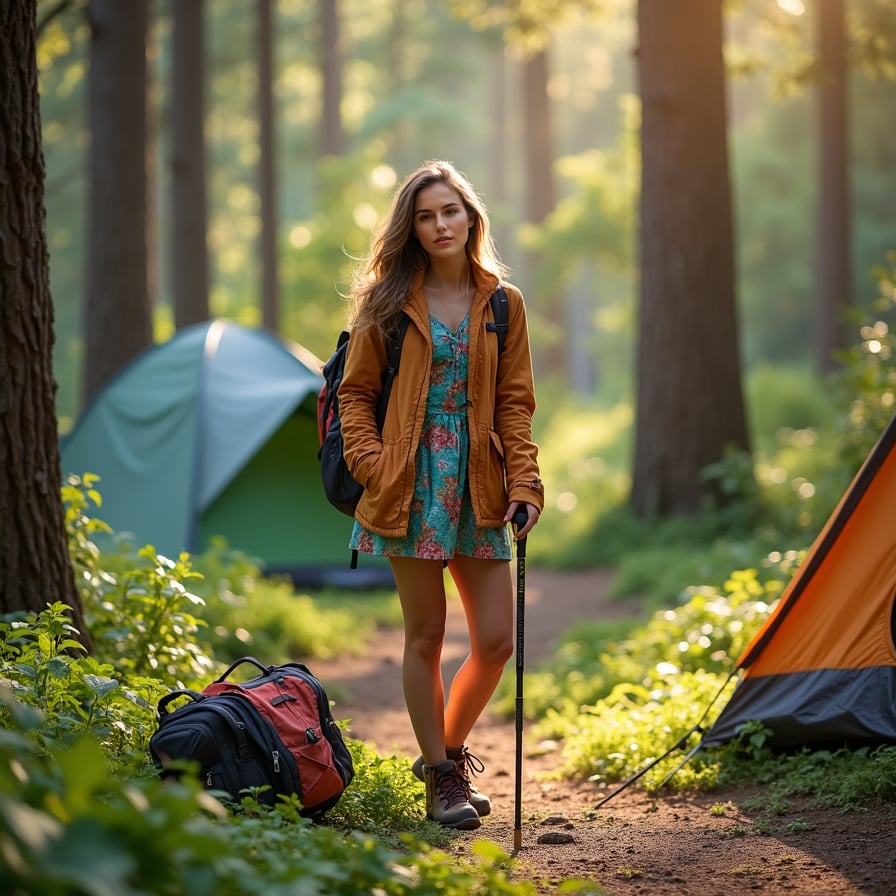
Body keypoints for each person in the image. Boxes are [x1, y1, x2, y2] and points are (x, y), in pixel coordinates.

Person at [338, 160, 543, 830]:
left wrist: (525, 482)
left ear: (470, 215)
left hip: (479, 486)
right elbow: (355, 396)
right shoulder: (387, 303)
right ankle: (441, 781)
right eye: (425, 216)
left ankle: (445, 755)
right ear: (413, 228)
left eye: (449, 211)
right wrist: (375, 464)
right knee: (425, 634)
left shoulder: (503, 303)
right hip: (409, 486)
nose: (439, 225)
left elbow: (515, 405)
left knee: (494, 643)